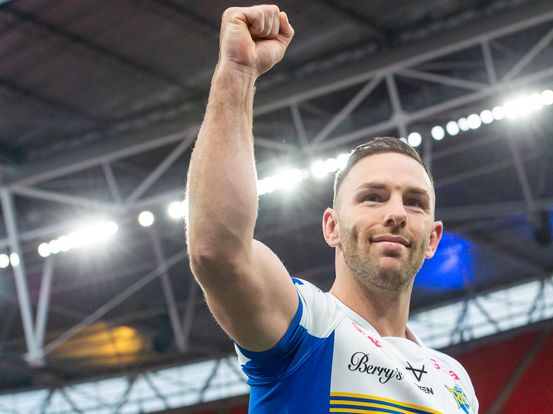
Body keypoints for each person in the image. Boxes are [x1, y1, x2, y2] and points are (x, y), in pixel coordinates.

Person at [186, 4, 479, 413]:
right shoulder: (307, 322)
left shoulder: (455, 382)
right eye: (372, 197)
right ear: (332, 227)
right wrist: (237, 73)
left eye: (414, 202)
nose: (395, 212)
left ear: (432, 239)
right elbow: (217, 252)